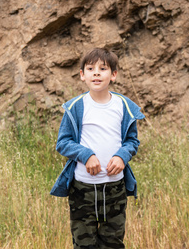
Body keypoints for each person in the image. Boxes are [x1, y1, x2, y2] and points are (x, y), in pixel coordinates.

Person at [50, 47, 145, 249]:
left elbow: (132, 141)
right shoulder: (75, 107)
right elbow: (63, 142)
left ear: (114, 75)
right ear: (82, 75)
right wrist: (86, 155)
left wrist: (121, 156)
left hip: (114, 187)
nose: (96, 73)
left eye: (103, 69)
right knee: (84, 243)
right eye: (91, 68)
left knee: (113, 241)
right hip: (83, 188)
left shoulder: (124, 106)